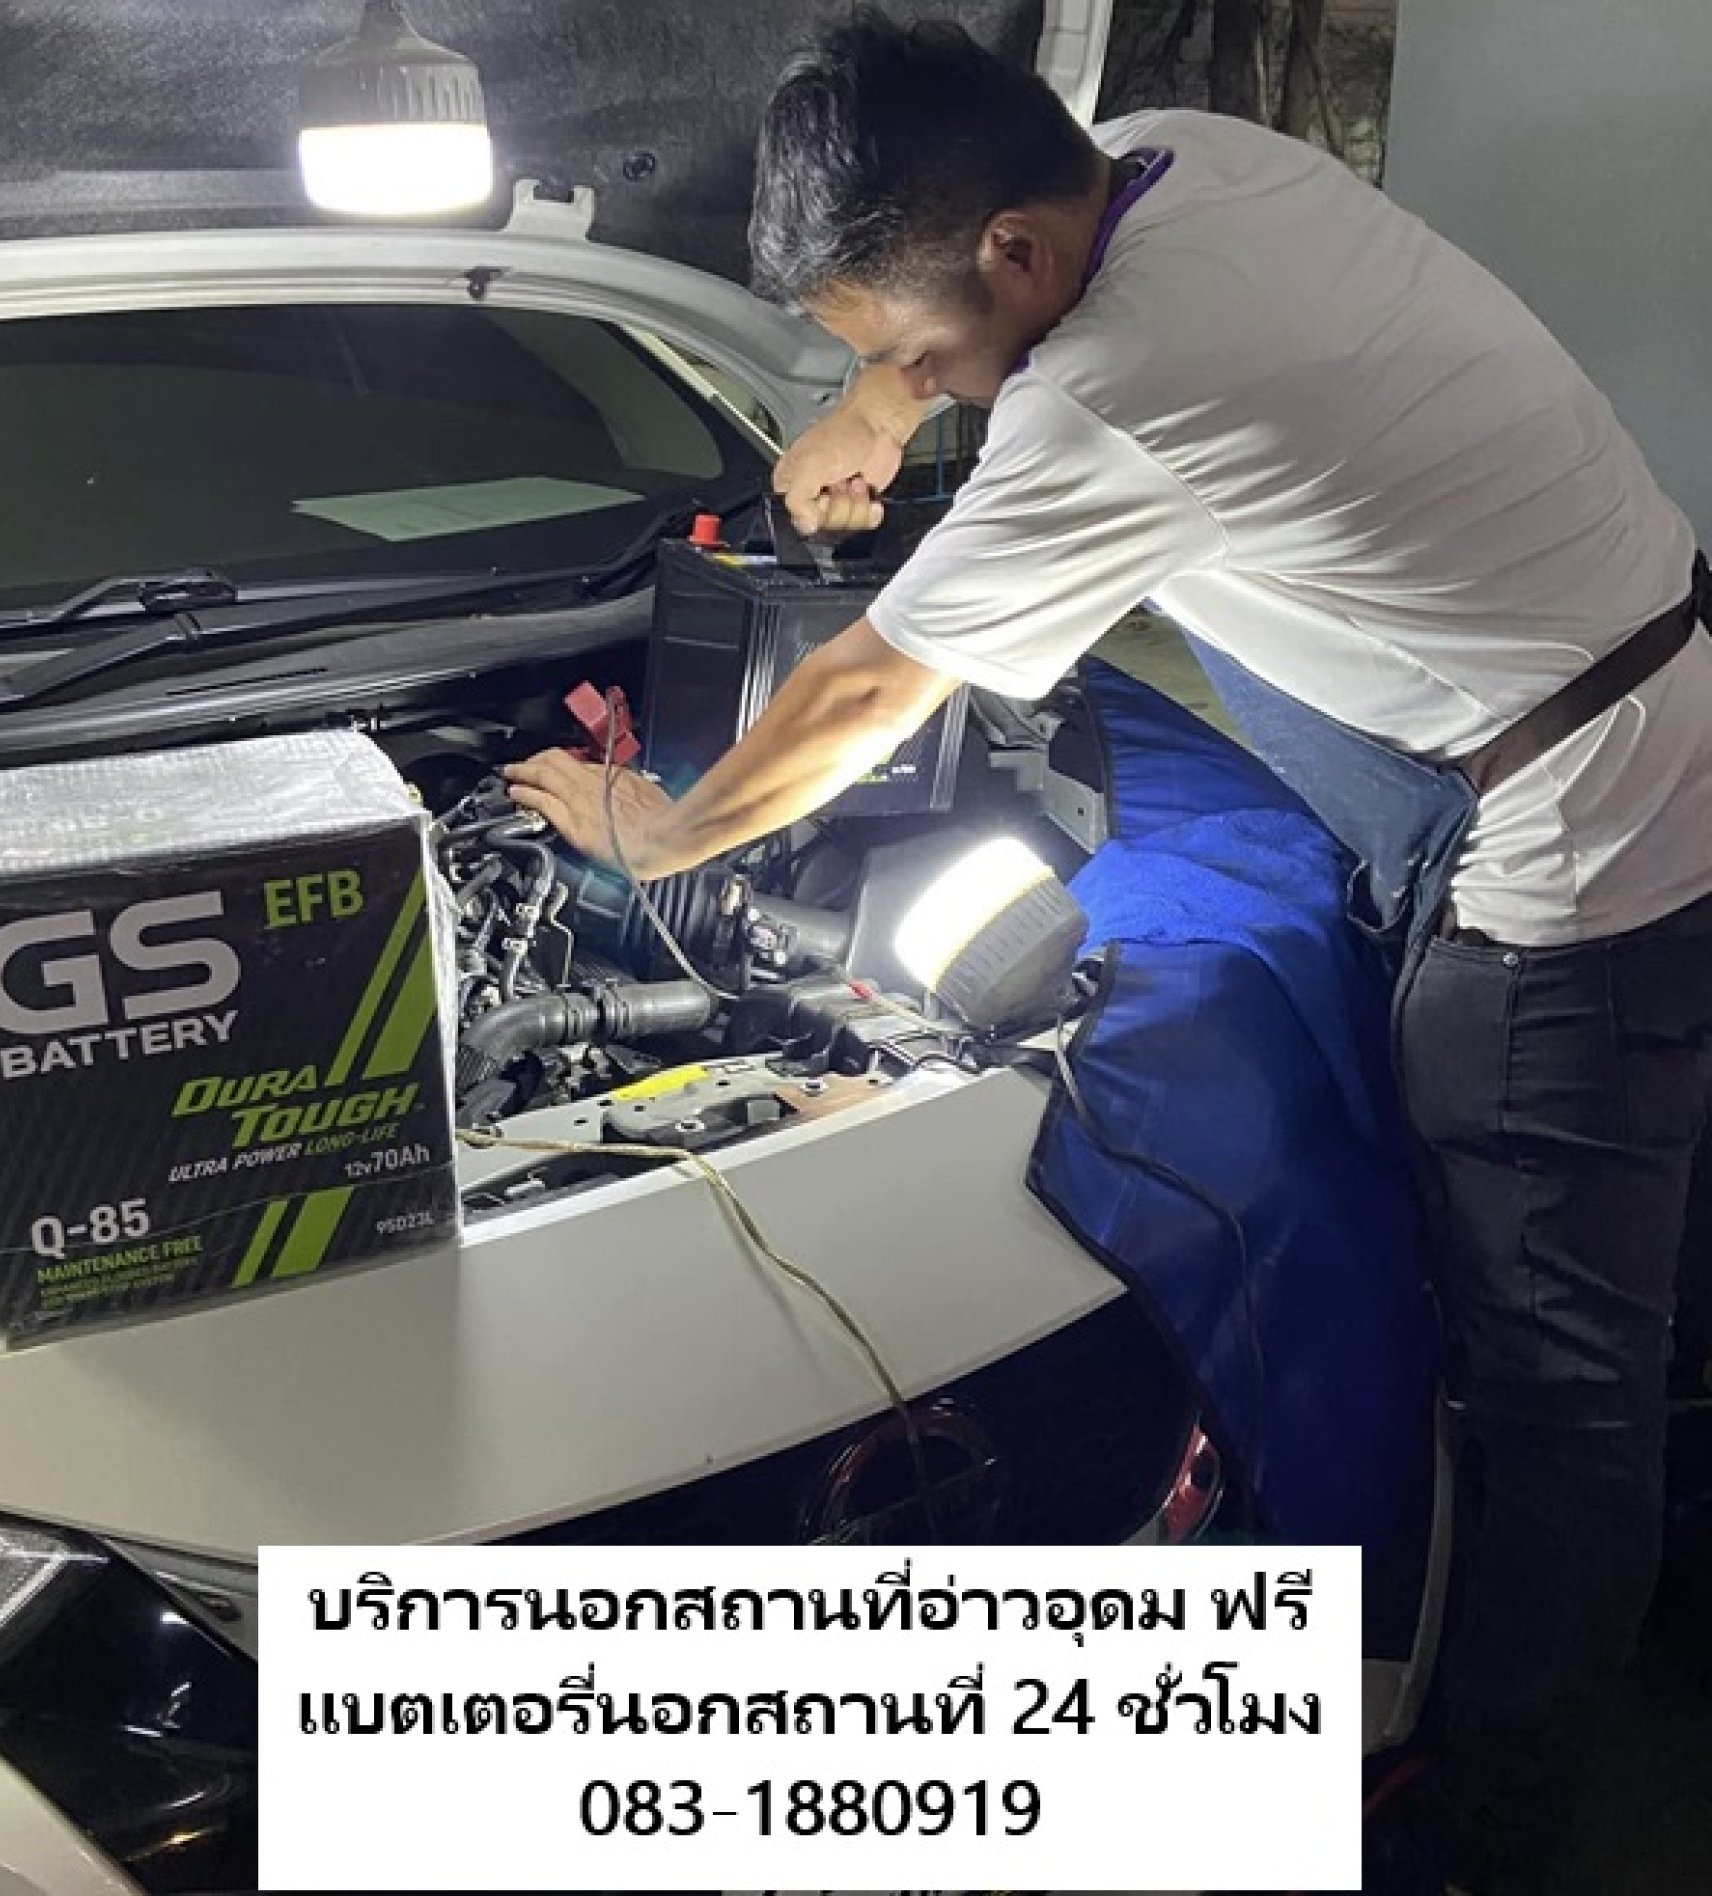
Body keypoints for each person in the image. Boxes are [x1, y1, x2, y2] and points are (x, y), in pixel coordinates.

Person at [506, 15, 1712, 1890]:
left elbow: (865, 692)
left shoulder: (1120, 394)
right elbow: (969, 308)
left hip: (1581, 853)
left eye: (920, 352)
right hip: (1549, 696)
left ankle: (1501, 1818)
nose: (920, 386)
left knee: (1558, 1378)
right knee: (1579, 1262)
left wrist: (656, 835)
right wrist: (882, 399)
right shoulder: (1170, 151)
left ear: (1012, 254)